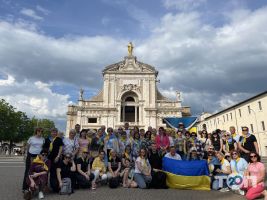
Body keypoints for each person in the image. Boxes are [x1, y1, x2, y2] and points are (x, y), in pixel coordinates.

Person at [22, 128, 45, 192]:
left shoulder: (43, 139)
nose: (40, 132)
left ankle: (34, 186)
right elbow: (27, 146)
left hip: (38, 156)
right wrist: (25, 154)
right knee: (28, 170)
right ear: (36, 132)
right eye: (39, 131)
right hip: (31, 155)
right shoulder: (31, 138)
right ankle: (25, 187)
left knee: (37, 171)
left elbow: (42, 148)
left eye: (41, 131)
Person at [43, 128, 63, 192]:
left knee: (54, 173)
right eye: (52, 132)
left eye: (55, 132)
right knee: (46, 172)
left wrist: (58, 156)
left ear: (57, 133)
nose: (54, 133)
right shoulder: (47, 139)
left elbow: (61, 148)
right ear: (50, 132)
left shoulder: (59, 139)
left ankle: (54, 186)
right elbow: (44, 149)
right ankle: (45, 186)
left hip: (55, 158)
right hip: (48, 158)